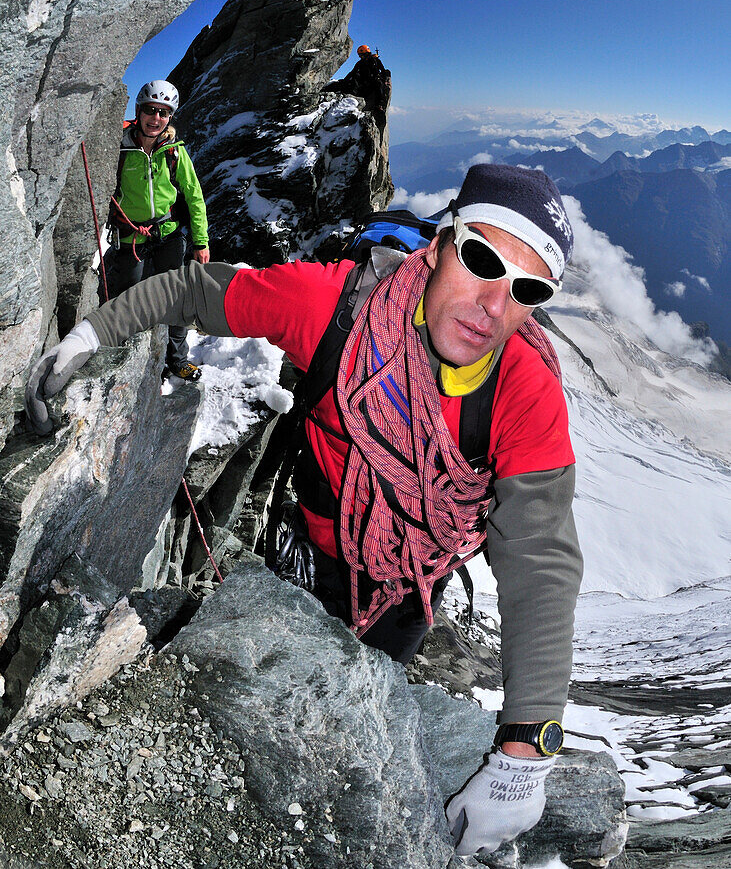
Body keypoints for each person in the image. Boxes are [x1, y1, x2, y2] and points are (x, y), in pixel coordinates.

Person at [26, 164, 582, 857]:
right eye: (481, 260)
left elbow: (540, 558)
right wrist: (91, 335)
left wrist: (525, 752)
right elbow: (198, 290)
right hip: (308, 550)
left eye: (526, 290)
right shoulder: (335, 307)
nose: (493, 306)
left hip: (408, 586)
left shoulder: (523, 391)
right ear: (439, 245)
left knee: (355, 721)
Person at [105, 79, 210, 381]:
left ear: (170, 118)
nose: (156, 119)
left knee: (176, 298)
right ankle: (126, 356)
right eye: (151, 110)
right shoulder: (120, 148)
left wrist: (201, 242)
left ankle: (177, 360)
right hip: (132, 236)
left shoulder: (174, 152)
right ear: (139, 111)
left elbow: (194, 197)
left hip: (168, 235)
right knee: (128, 296)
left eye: (164, 113)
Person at [324, 44, 391, 130]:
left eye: (360, 55)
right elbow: (353, 72)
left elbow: (353, 73)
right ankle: (378, 105)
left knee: (377, 84)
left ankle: (379, 105)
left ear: (364, 53)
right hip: (366, 83)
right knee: (376, 84)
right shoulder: (370, 61)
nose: (360, 56)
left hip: (368, 84)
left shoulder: (371, 61)